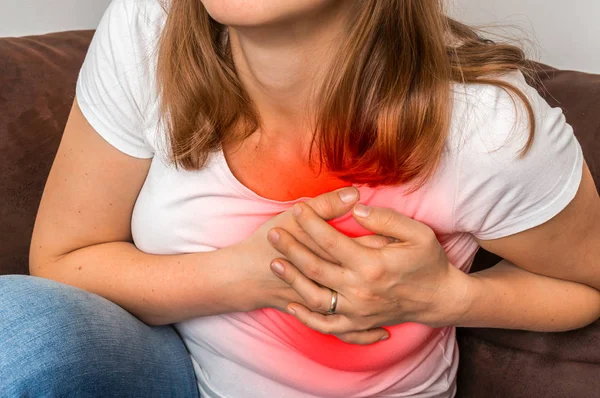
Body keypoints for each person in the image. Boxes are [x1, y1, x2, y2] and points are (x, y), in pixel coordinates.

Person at [1, 0, 599, 397]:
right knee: (18, 322)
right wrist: (246, 274)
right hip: (172, 368)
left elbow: (590, 284)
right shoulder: (148, 25)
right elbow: (63, 260)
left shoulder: (483, 126)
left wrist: (449, 296)